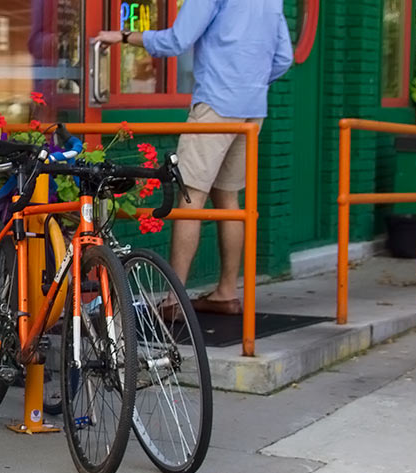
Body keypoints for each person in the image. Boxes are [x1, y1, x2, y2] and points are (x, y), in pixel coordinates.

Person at [96, 0, 292, 315]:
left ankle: (174, 301)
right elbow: (284, 58)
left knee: (190, 196)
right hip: (252, 109)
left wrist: (122, 36)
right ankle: (226, 293)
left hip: (215, 104)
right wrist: (248, 84)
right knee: (229, 199)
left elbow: (177, 40)